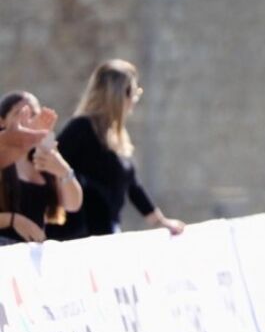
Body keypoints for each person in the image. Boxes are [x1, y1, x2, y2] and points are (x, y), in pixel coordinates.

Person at [47, 59, 184, 240]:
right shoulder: (81, 127)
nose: (135, 100)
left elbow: (133, 185)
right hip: (80, 236)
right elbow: (50, 166)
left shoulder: (114, 133)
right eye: (134, 92)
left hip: (107, 231)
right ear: (119, 94)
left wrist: (160, 221)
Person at [0, 92, 83, 245]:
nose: (28, 121)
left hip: (33, 252)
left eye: (34, 114)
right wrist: (14, 220)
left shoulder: (43, 157)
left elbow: (72, 205)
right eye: (20, 113)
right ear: (2, 121)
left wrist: (63, 170)